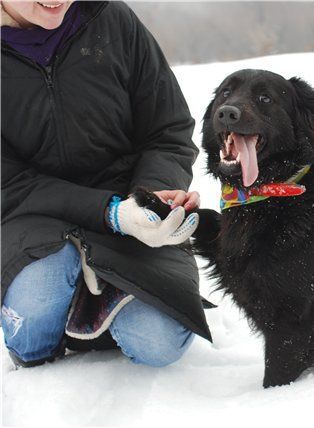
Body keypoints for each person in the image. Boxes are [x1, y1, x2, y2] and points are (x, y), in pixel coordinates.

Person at [1, 0, 212, 368]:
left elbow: (168, 130)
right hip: (34, 213)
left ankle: (104, 302)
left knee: (157, 343)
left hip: (130, 206)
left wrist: (151, 198)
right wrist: (109, 214)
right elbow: (8, 182)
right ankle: (65, 316)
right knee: (37, 307)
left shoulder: (111, 18)